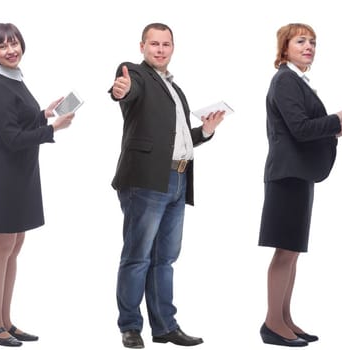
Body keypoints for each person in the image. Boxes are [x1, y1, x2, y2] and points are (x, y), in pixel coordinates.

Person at [108, 22, 225, 349]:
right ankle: (130, 327)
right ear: (142, 46)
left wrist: (206, 130)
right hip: (145, 181)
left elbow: (177, 139)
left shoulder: (175, 88)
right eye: (154, 44)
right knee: (137, 257)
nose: (160, 49)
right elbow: (126, 91)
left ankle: (164, 327)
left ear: (173, 48)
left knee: (165, 259)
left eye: (166, 44)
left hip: (178, 177)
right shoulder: (136, 74)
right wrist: (121, 89)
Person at [257, 23, 342, 348]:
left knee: (293, 252)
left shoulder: (297, 81)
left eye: (312, 42)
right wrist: (335, 119)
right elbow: (300, 128)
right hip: (287, 176)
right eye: (301, 41)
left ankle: (285, 318)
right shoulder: (285, 80)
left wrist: (335, 130)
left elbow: (303, 128)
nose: (309, 46)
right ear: (284, 47)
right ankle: (273, 323)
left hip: (298, 175)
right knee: (285, 251)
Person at [0, 22, 75, 347]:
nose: (11, 50)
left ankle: (7, 320)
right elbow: (10, 137)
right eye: (3, 46)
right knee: (1, 247)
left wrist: (44, 113)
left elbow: (20, 121)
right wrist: (53, 129)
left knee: (15, 245)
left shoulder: (15, 78)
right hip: (6, 173)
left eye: (14, 43)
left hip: (24, 171)